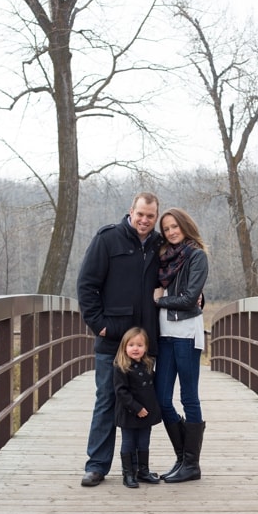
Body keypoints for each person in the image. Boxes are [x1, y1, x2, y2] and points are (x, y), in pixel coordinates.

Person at [77, 192, 164, 487]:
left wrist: (197, 296)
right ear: (131, 211)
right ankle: (97, 465)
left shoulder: (159, 244)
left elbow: (177, 277)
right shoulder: (107, 240)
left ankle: (140, 467)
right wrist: (100, 325)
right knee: (107, 398)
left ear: (156, 217)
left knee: (147, 400)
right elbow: (86, 286)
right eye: (140, 214)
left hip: (146, 342)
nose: (144, 220)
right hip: (113, 339)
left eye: (150, 216)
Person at [154, 207, 210, 483]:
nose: (171, 231)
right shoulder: (163, 258)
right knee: (162, 398)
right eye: (166, 228)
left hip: (187, 333)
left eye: (175, 226)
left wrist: (159, 300)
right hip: (164, 334)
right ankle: (183, 457)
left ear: (185, 226)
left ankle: (192, 464)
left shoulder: (197, 256)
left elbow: (189, 298)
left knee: (189, 397)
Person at [112, 327, 163, 488]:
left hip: (146, 413)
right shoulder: (121, 367)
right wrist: (136, 408)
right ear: (124, 347)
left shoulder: (148, 364)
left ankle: (143, 471)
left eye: (140, 345)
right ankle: (128, 474)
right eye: (131, 345)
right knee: (128, 442)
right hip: (129, 412)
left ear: (146, 348)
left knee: (143, 442)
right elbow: (121, 392)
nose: (135, 348)